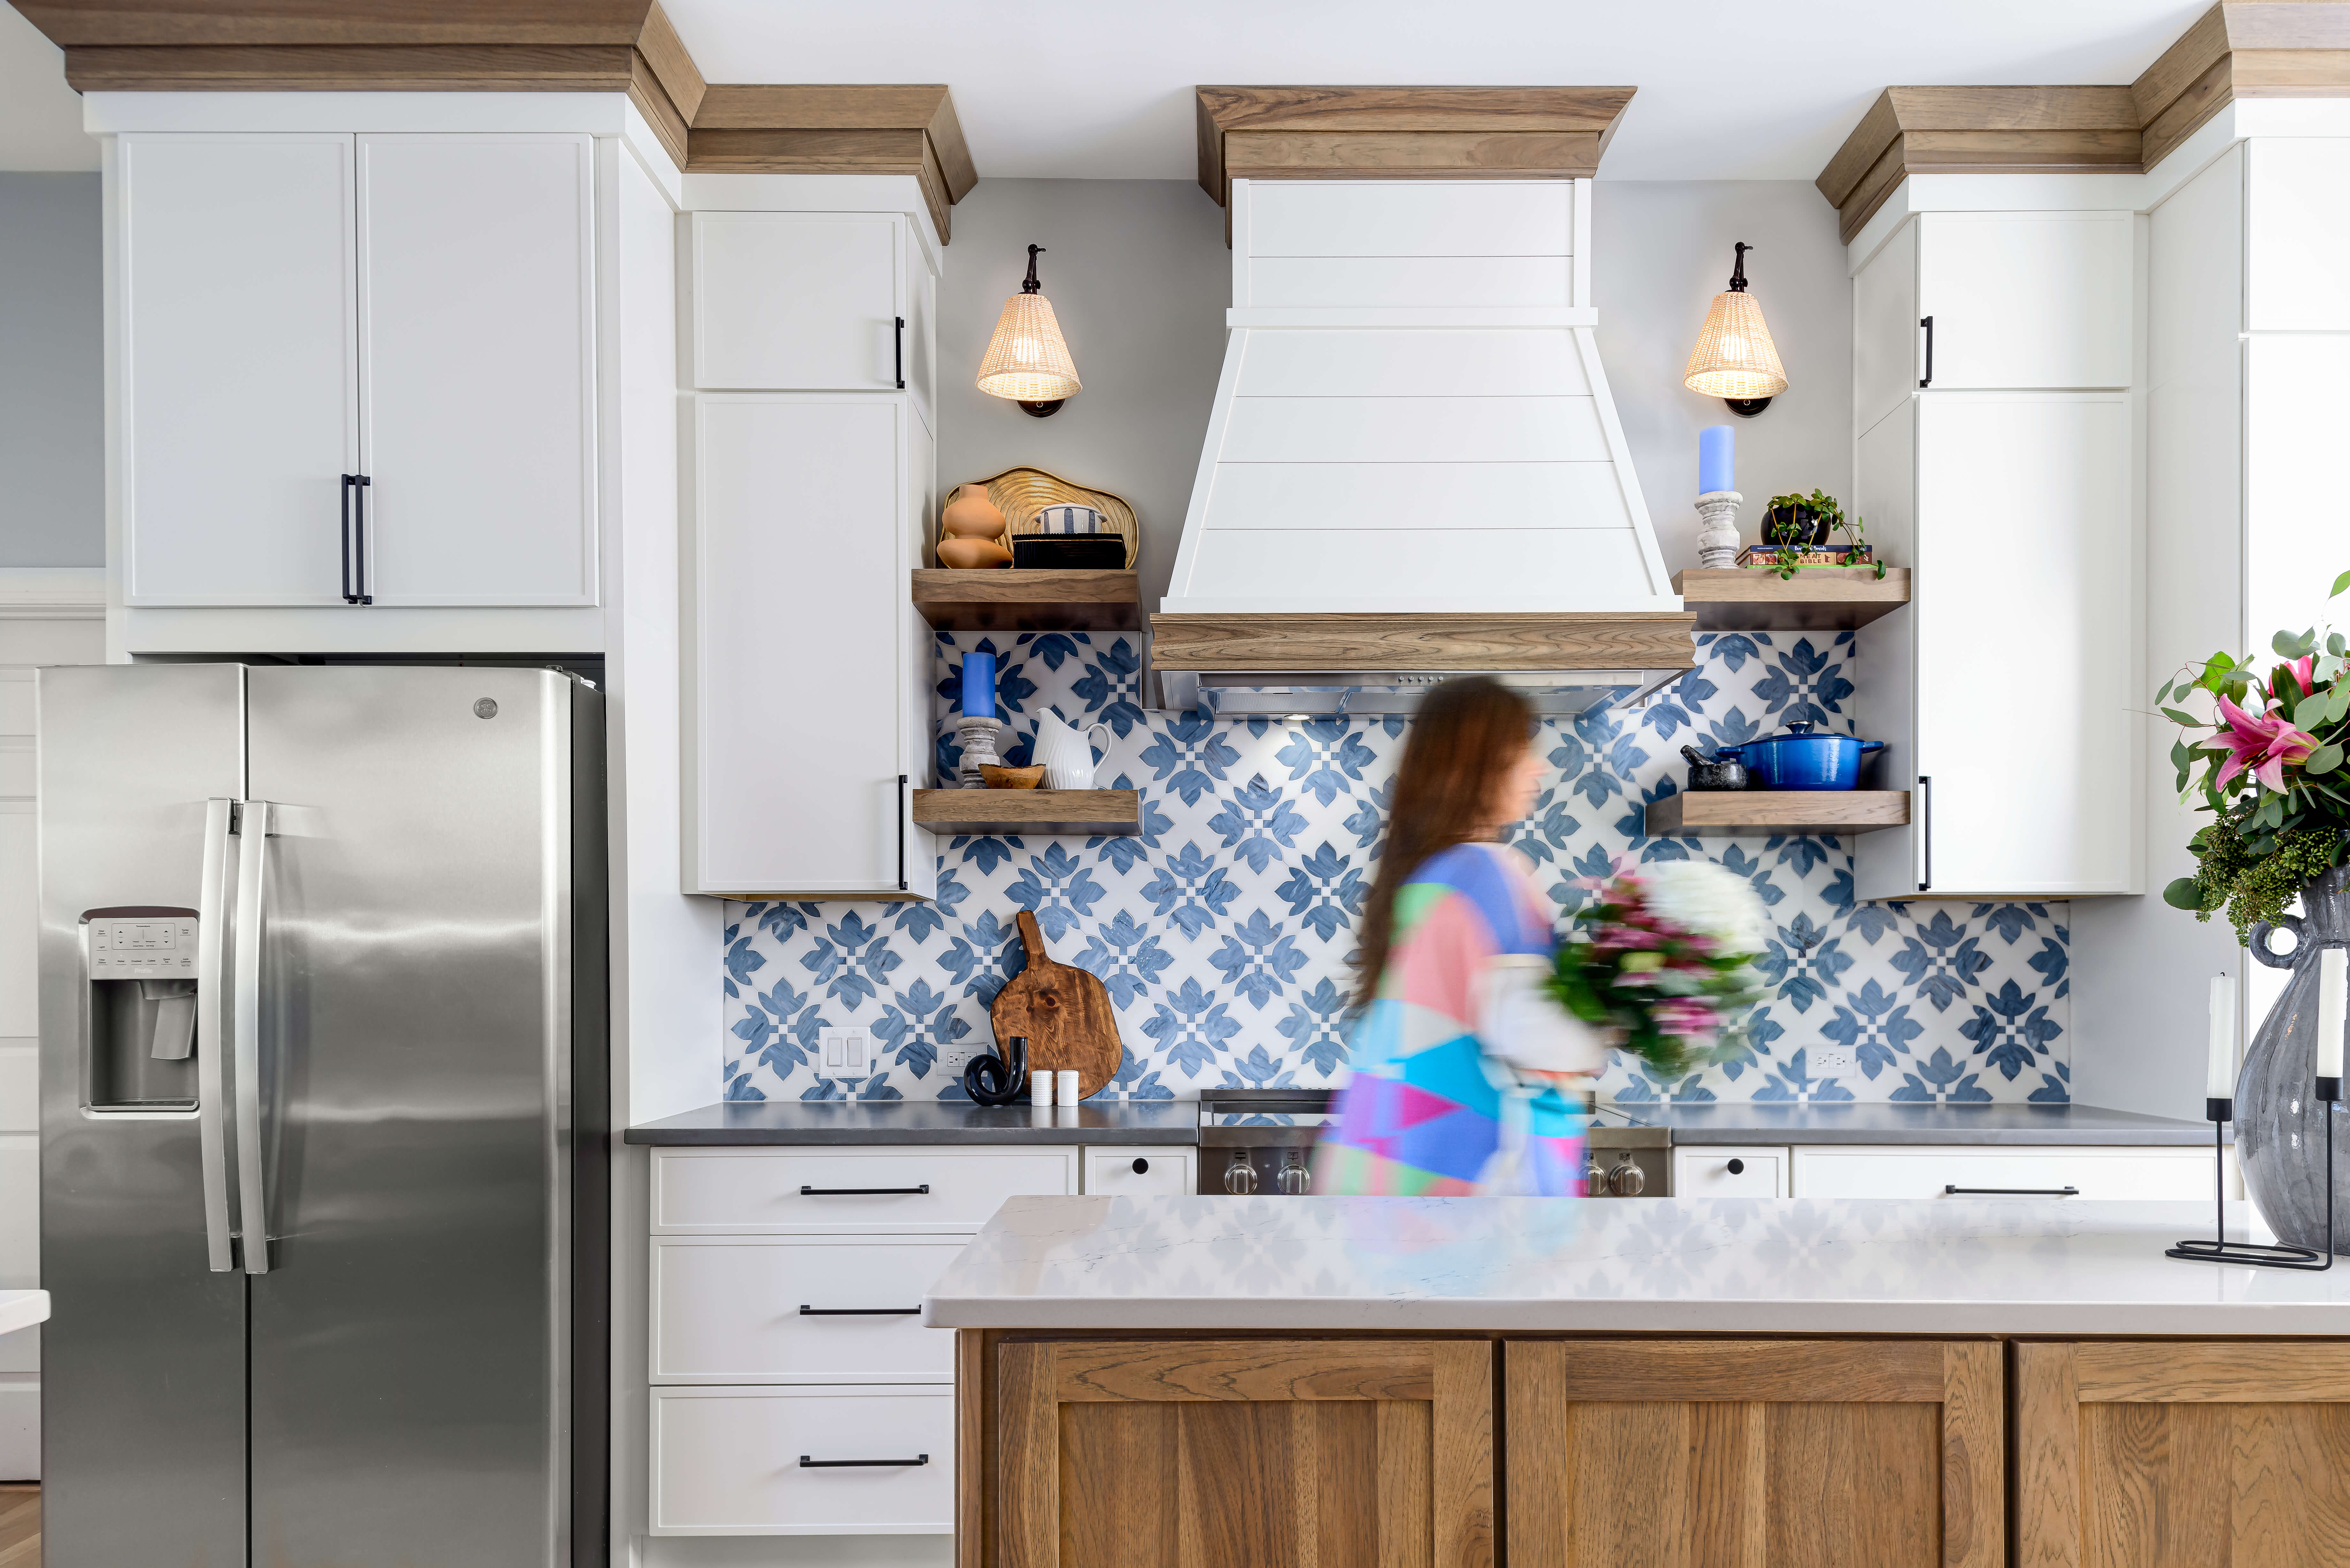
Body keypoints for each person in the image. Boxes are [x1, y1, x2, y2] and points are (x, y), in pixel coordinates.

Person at [1314, 675, 1607, 1195]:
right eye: (1523, 750)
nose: (1538, 768)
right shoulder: (1486, 873)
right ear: (1479, 763)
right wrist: (1632, 1008)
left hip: (1400, 1160)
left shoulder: (1425, 875)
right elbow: (1538, 1036)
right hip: (1473, 1176)